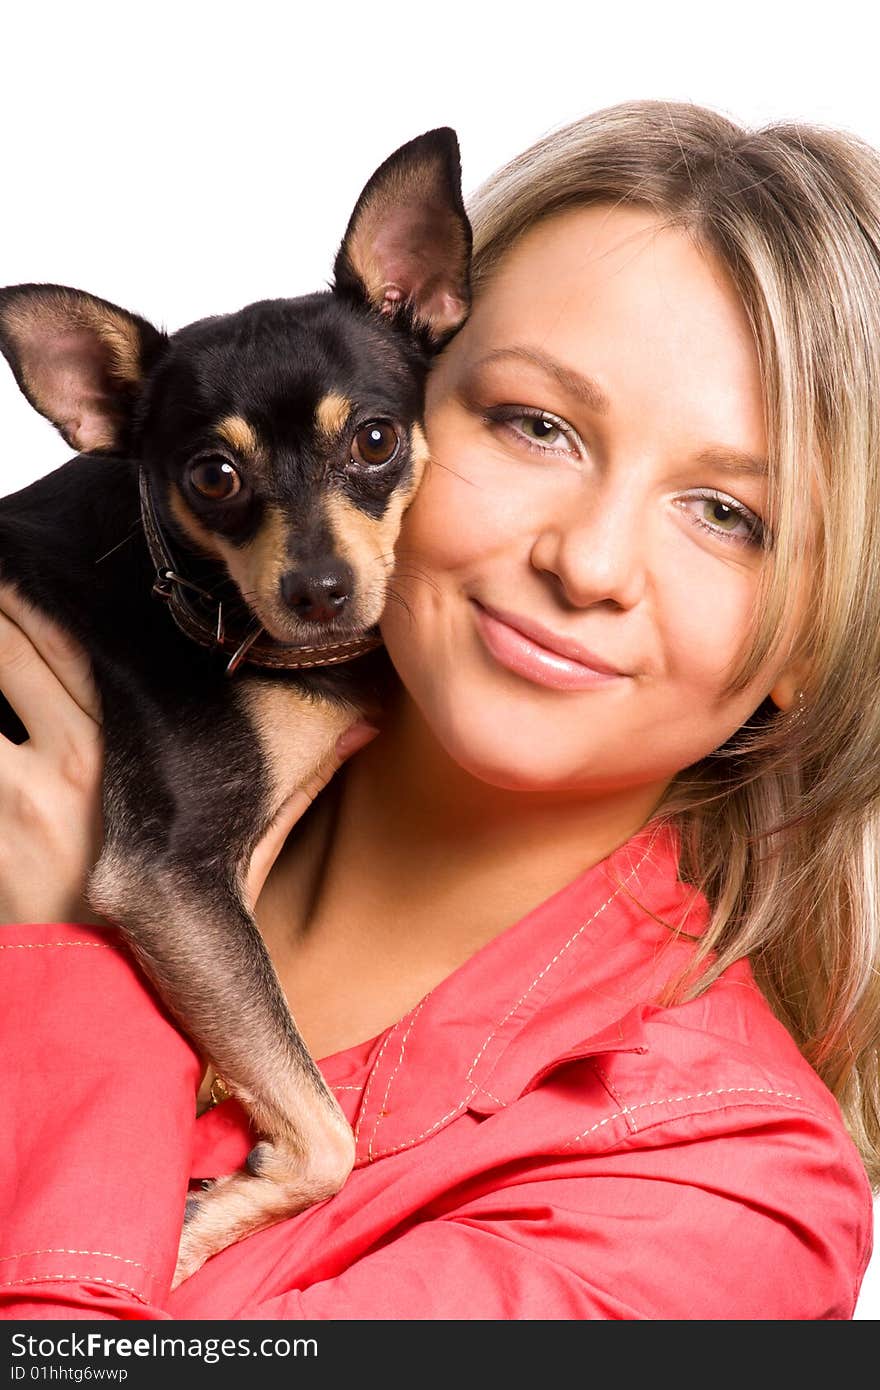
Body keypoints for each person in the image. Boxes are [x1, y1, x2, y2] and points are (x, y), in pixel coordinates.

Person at [0, 99, 877, 1322]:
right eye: (538, 426)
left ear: (814, 635)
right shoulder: (102, 713)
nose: (589, 563)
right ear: (420, 376)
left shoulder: (708, 1200)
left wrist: (66, 979)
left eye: (731, 516)